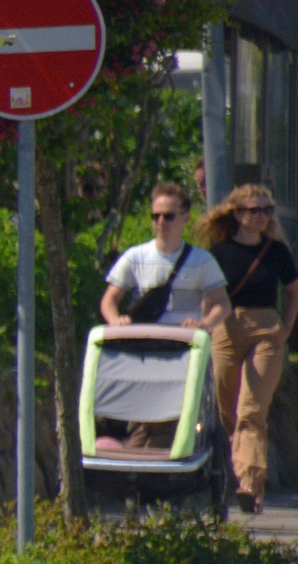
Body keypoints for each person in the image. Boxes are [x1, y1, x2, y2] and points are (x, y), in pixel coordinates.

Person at [198, 183, 298, 513]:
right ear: (238, 214)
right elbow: (209, 296)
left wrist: (284, 329)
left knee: (252, 410)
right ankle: (232, 471)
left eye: (267, 210)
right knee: (229, 411)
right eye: (254, 210)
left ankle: (250, 485)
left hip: (266, 330)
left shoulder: (277, 251)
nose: (261, 217)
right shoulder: (220, 253)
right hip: (228, 329)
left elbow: (293, 292)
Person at [101, 182, 227, 332]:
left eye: (168, 216)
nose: (161, 221)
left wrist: (205, 324)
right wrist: (116, 321)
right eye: (155, 216)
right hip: (144, 343)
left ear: (185, 219)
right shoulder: (134, 256)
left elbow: (223, 303)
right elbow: (109, 300)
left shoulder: (202, 260)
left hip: (186, 344)